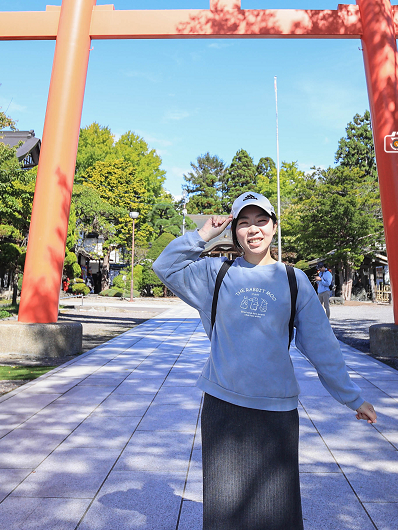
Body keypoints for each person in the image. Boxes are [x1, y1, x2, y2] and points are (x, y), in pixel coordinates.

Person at [154, 191, 377, 530]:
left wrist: (353, 398)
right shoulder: (216, 273)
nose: (253, 229)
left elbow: (323, 346)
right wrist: (204, 234)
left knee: (277, 510)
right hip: (223, 405)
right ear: (234, 231)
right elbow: (165, 266)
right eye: (244, 223)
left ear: (274, 227)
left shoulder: (294, 280)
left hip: (277, 410)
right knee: (224, 509)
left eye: (261, 221)